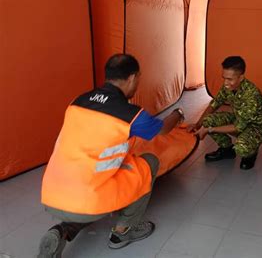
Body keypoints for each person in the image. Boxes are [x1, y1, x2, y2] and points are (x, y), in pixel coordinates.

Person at [38, 54, 185, 257]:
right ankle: (123, 232)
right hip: (87, 197)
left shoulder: (77, 101)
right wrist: (178, 113)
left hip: (52, 193)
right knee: (148, 162)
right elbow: (163, 130)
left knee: (93, 179)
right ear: (133, 77)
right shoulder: (130, 113)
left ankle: (63, 230)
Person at [189, 56, 262, 170]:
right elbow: (214, 104)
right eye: (224, 78)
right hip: (239, 119)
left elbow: (238, 127)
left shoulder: (252, 95)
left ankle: (252, 150)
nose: (226, 83)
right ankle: (226, 150)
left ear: (241, 77)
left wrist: (209, 130)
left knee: (241, 148)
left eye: (230, 79)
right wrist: (198, 124)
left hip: (257, 128)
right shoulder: (228, 86)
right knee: (208, 121)